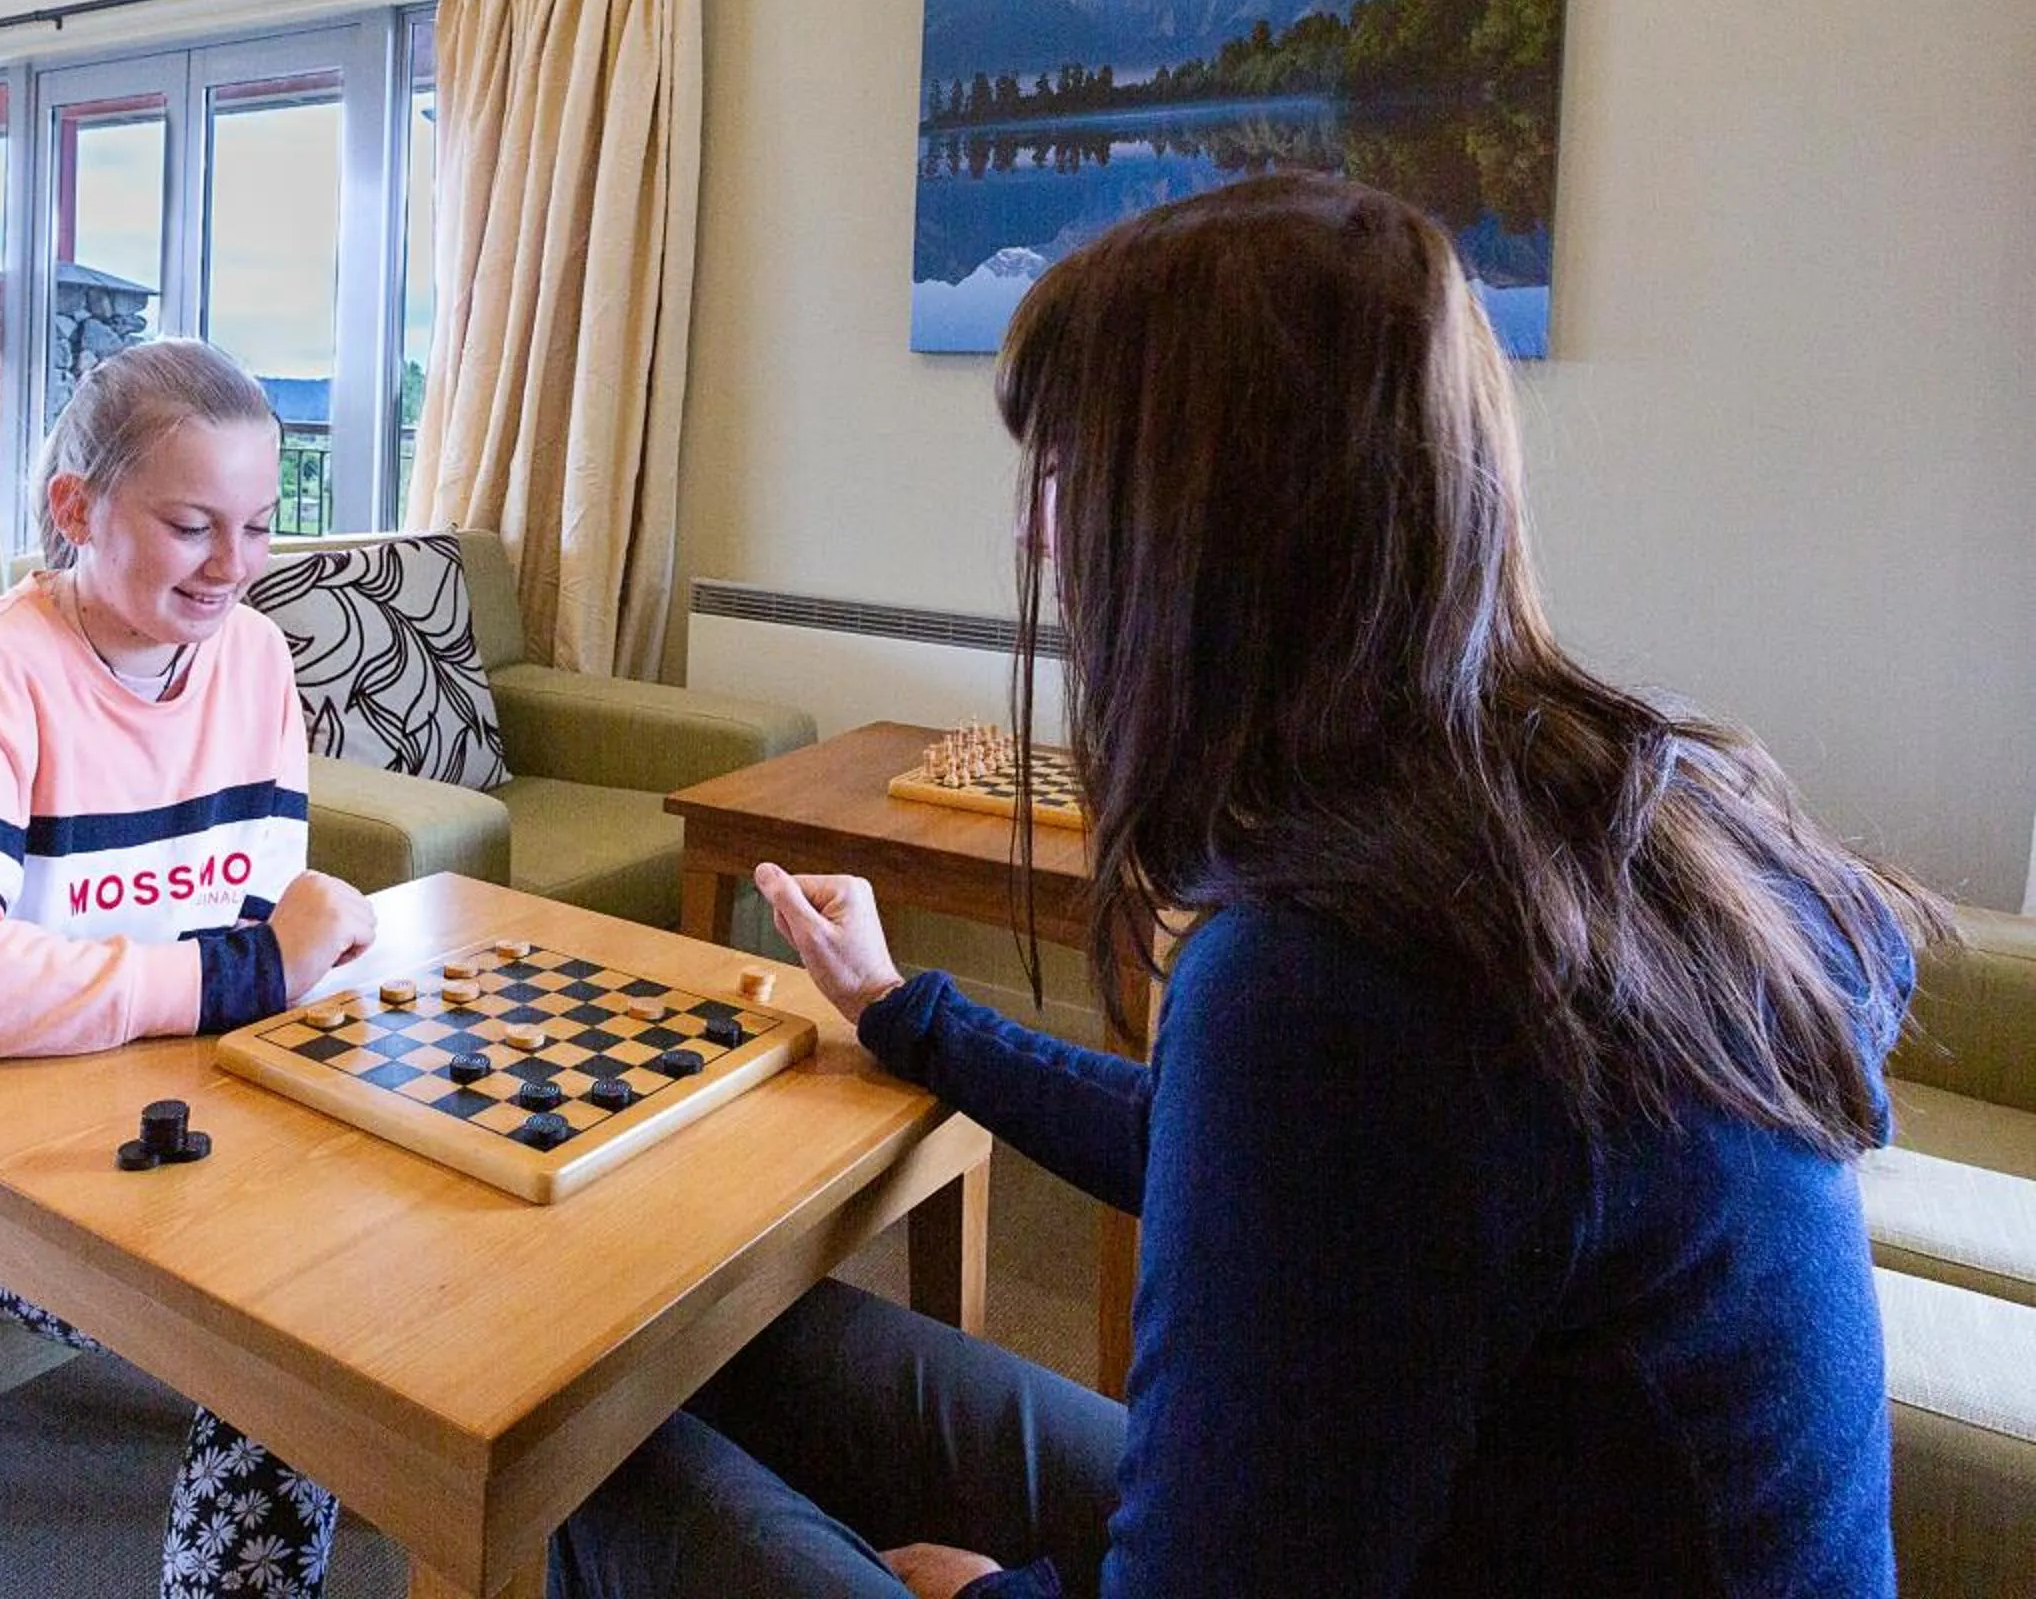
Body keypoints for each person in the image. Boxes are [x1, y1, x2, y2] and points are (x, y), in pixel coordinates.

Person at [551, 173, 1945, 1599]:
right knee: (738, 1345)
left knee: (580, 1448)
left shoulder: (1340, 972)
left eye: (1070, 472)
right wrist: (913, 1014)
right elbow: (1234, 1155)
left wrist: (980, 1594)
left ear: (1212, 510)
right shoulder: (1596, 824)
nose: (1041, 539)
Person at [0, 336, 376, 1599]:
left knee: (410, 1231)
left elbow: (245, 916)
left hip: (141, 1078)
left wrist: (287, 960)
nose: (235, 567)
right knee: (294, 1349)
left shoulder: (256, 662)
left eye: (260, 525)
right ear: (75, 507)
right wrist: (236, 975)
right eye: (190, 526)